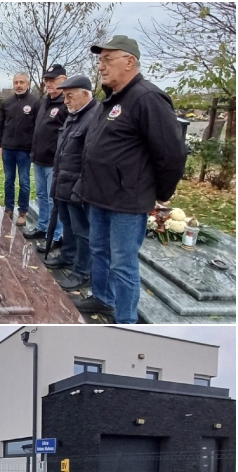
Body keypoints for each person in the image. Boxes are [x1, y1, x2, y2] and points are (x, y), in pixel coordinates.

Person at [77, 35, 187, 324]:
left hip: (127, 201)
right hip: (99, 196)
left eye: (107, 59)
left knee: (123, 264)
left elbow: (171, 153)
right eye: (100, 60)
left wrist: (161, 192)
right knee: (98, 250)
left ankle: (125, 320)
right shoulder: (111, 100)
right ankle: (102, 298)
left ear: (130, 61)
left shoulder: (148, 98)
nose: (101, 66)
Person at [50, 75, 100, 293]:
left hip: (78, 187)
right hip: (64, 182)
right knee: (68, 224)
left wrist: (79, 188)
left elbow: (91, 159)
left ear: (86, 95)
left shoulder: (93, 118)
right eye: (64, 97)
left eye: (70, 96)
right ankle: (67, 257)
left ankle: (82, 272)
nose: (66, 101)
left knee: (82, 231)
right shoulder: (74, 116)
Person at [26, 64, 68, 250]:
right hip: (39, 158)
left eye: (53, 80)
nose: (49, 83)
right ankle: (43, 227)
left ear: (63, 80)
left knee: (53, 200)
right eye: (47, 80)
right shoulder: (44, 102)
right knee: (41, 196)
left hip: (54, 161)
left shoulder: (65, 104)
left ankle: (56, 235)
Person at [0, 73, 38, 227]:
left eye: (21, 82)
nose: (18, 85)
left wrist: (34, 148)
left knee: (25, 182)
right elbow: (0, 125)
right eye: (16, 82)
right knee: (8, 180)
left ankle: (23, 212)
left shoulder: (35, 102)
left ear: (28, 84)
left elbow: (38, 128)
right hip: (8, 149)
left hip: (25, 151)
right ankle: (8, 209)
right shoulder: (6, 103)